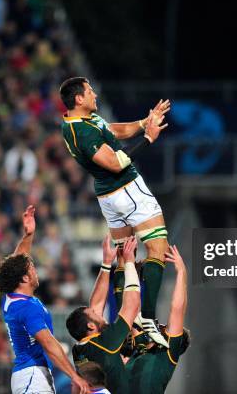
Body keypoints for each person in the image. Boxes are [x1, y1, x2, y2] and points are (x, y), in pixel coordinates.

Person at [59, 76, 171, 347]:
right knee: (159, 250)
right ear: (78, 99)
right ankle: (148, 319)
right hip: (127, 189)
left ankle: (128, 322)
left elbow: (112, 130)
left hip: (109, 199)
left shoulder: (84, 122)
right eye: (89, 91)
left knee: (125, 258)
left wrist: (144, 122)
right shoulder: (80, 132)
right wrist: (148, 138)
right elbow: (116, 163)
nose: (94, 94)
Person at [0, 205, 89, 394]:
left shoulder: (11, 297)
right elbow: (49, 344)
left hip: (31, 375)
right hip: (32, 377)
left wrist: (28, 235)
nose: (35, 270)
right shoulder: (27, 308)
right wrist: (75, 376)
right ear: (25, 278)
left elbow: (17, 261)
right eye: (32, 267)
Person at [66, 235, 141, 394]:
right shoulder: (106, 342)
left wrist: (107, 263)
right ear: (91, 326)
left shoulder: (79, 350)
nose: (99, 313)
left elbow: (96, 304)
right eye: (94, 314)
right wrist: (129, 262)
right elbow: (132, 304)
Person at [125, 245, 191, 394]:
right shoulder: (140, 348)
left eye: (164, 327)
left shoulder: (166, 353)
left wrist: (182, 272)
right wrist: (133, 273)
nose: (160, 324)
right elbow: (134, 309)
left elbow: (177, 309)